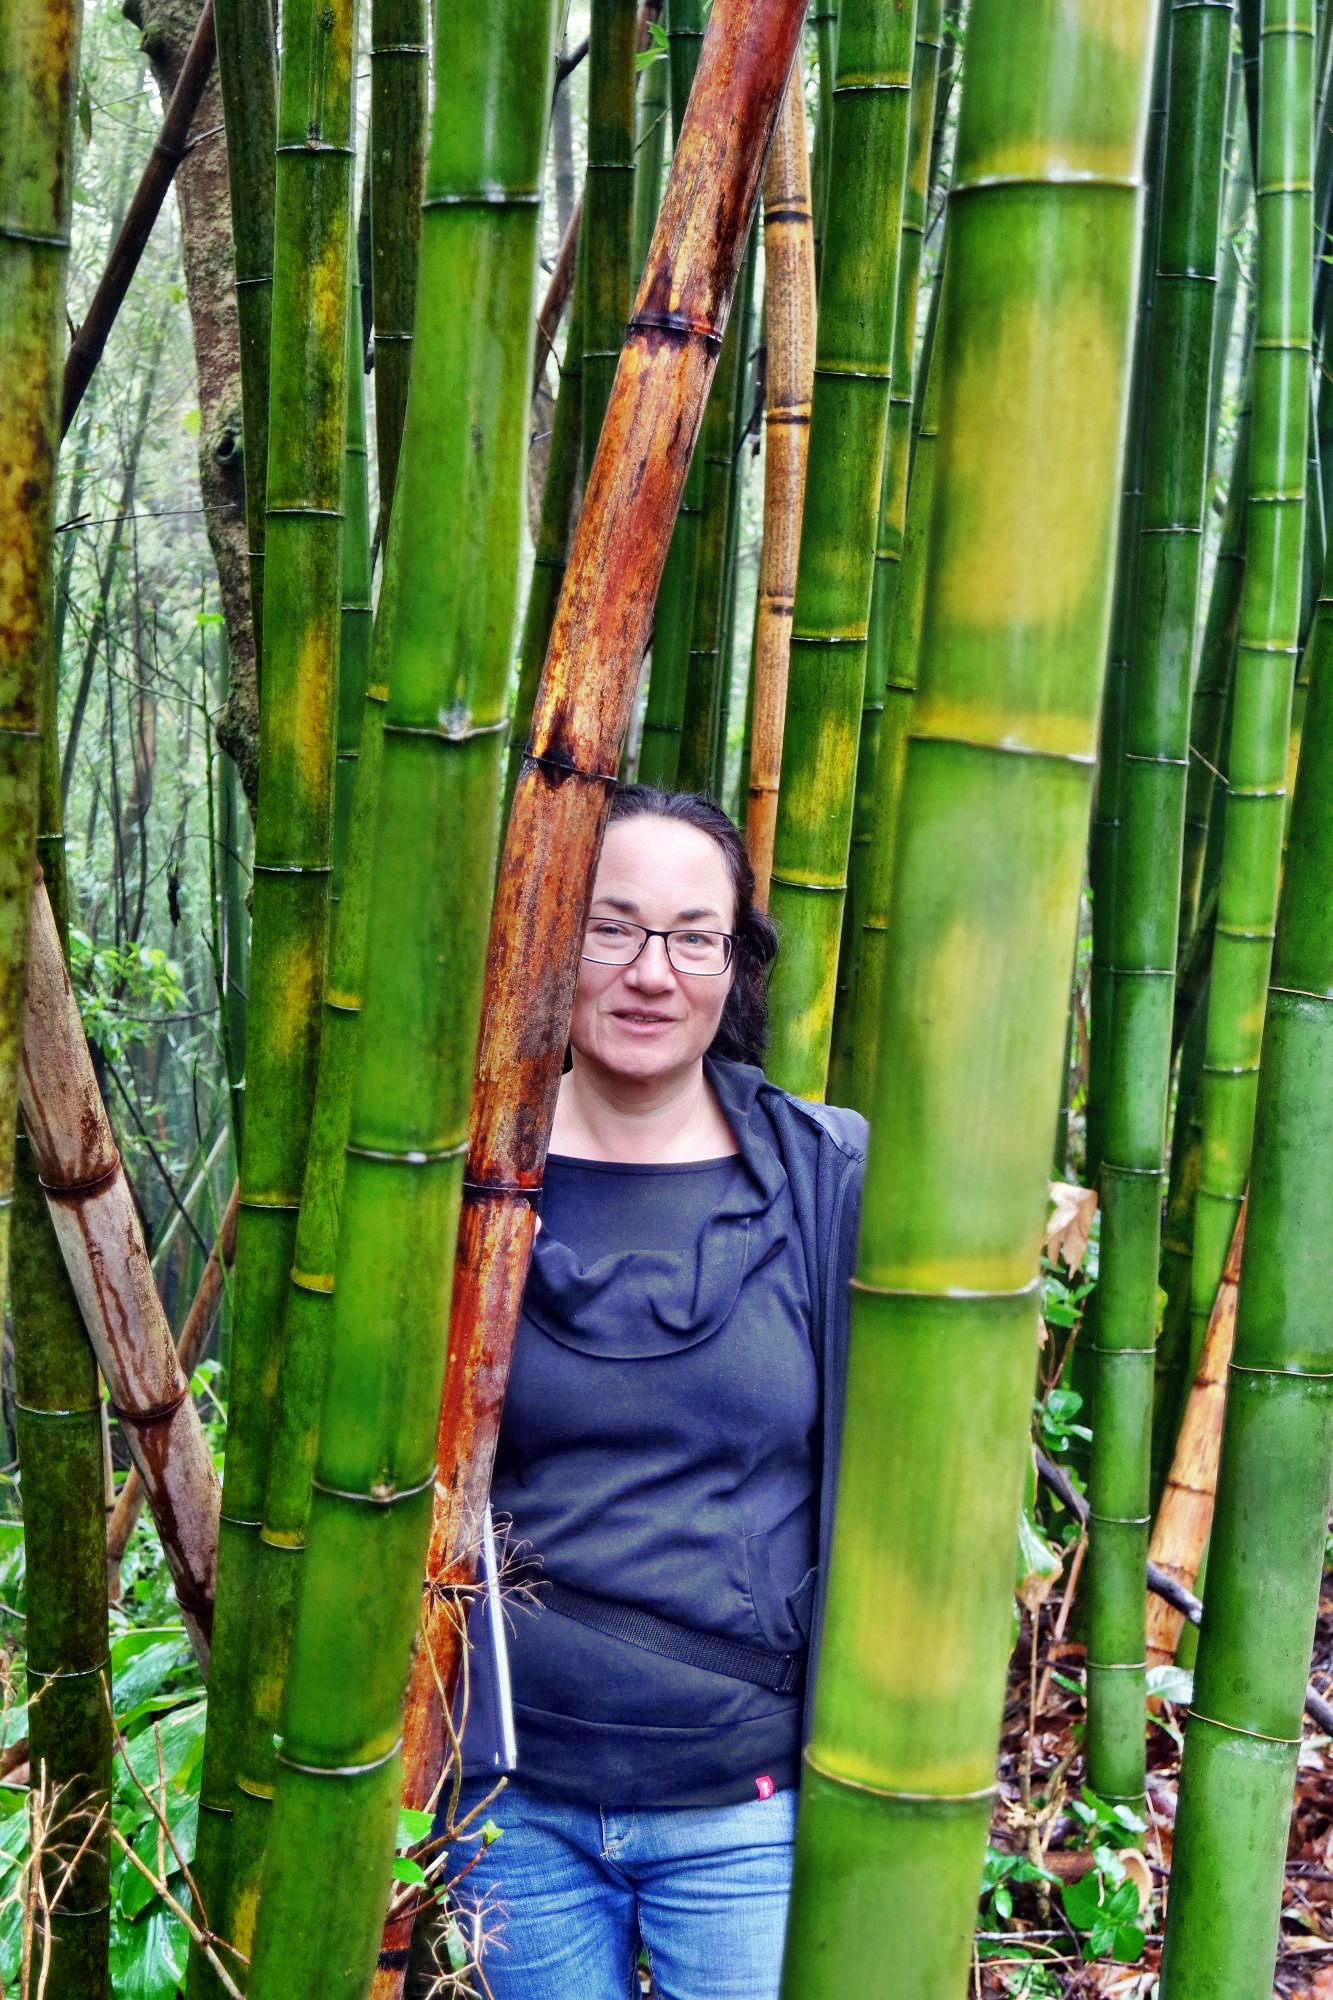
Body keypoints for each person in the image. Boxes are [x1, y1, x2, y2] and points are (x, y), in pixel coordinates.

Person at [443, 786, 867, 2000]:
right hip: (509, 1792)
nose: (649, 972)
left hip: (747, 1796)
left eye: (693, 937)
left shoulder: (823, 1172)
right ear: (549, 939)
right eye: (610, 927)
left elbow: (892, 1491)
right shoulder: (459, 1171)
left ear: (736, 965)